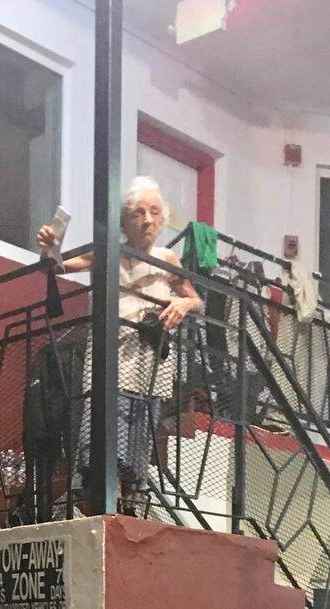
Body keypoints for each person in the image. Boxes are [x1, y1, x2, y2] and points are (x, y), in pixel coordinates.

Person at [34, 176, 203, 514]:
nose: (148, 220)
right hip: (110, 354)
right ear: (125, 222)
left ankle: (133, 498)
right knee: (99, 420)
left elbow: (195, 299)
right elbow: (58, 265)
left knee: (141, 427)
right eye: (139, 213)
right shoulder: (108, 252)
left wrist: (183, 305)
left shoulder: (166, 258)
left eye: (154, 211)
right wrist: (50, 246)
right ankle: (92, 494)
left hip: (147, 357)